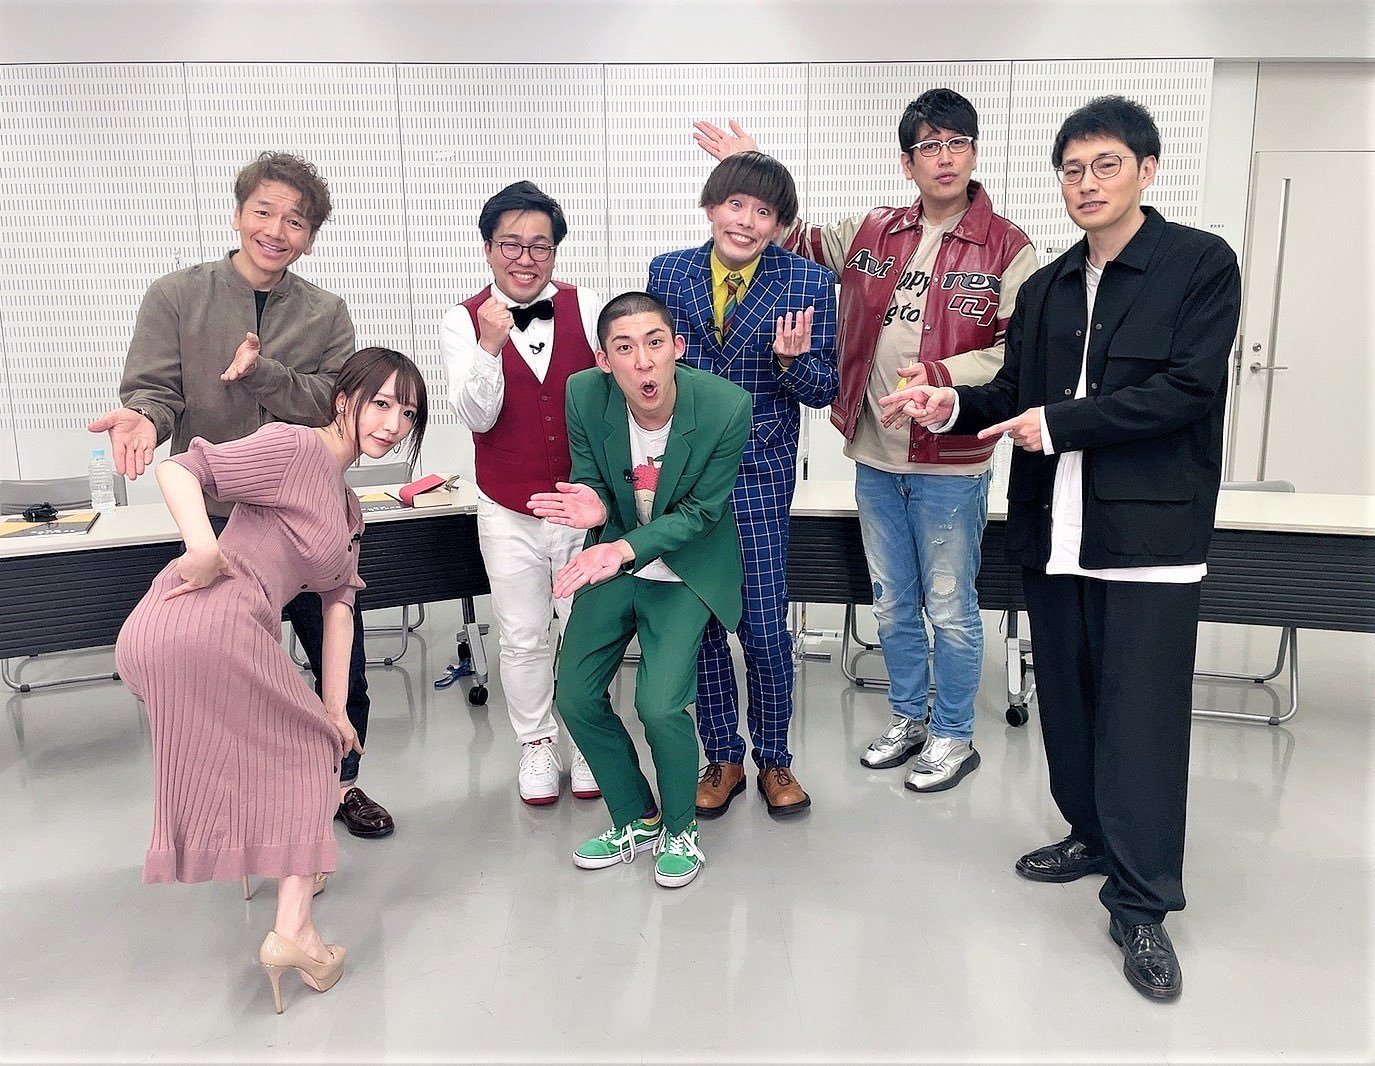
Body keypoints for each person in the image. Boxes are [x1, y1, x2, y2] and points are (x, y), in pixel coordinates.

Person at [882, 96, 1241, 1001]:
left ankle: (1142, 901)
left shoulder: (1198, 264)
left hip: (1147, 535)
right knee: (1069, 706)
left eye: (1105, 165)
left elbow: (1187, 391)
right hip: (1053, 529)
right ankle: (1088, 834)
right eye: (1071, 170)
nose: (1086, 183)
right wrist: (951, 406)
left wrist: (1060, 423)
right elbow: (1013, 391)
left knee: (1141, 719)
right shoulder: (1044, 286)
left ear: (1146, 170)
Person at [695, 88, 1038, 791]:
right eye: (929, 146)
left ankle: (952, 734)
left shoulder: (1008, 247)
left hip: (950, 459)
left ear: (974, 153)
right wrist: (750, 166)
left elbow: (1017, 352)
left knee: (950, 609)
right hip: (875, 453)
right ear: (907, 162)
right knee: (891, 602)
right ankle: (908, 717)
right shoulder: (871, 231)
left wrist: (941, 374)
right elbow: (784, 235)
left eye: (957, 144)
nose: (944, 158)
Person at [88, 151, 395, 839]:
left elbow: (330, 403)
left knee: (341, 662)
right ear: (237, 214)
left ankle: (342, 784)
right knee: (226, 670)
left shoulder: (326, 312)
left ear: (310, 238)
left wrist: (262, 372)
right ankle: (248, 796)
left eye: (296, 221)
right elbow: (155, 391)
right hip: (219, 521)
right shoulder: (176, 295)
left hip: (305, 522)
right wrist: (146, 418)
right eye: (264, 212)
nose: (276, 231)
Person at [115, 347, 428, 1013]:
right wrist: (203, 545)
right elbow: (181, 468)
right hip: (203, 616)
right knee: (310, 750)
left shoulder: (347, 507)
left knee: (306, 740)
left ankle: (284, 865)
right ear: (343, 400)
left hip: (200, 632)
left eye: (407, 413)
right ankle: (295, 935)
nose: (393, 423)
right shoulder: (295, 447)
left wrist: (336, 710)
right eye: (380, 404)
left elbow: (339, 605)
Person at [530, 292, 751, 888]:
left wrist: (620, 548)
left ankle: (680, 829)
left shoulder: (726, 406)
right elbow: (592, 477)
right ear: (605, 361)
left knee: (658, 704)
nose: (643, 360)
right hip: (613, 558)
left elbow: (702, 514)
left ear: (677, 347)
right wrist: (597, 506)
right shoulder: (584, 393)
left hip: (684, 567)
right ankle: (637, 818)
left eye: (655, 343)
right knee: (575, 695)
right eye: (624, 348)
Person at [647, 152, 838, 818]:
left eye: (764, 212)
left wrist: (790, 363)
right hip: (686, 476)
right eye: (736, 205)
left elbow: (823, 388)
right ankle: (722, 757)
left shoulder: (808, 280)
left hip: (759, 473)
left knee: (762, 628)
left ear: (779, 225)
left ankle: (775, 759)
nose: (747, 221)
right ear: (711, 207)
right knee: (699, 624)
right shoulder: (668, 272)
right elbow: (651, 367)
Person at [439, 181, 602, 806]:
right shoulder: (462, 320)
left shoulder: (587, 305)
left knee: (585, 630)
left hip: (580, 507)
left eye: (540, 245)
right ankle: (536, 743)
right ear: (488, 248)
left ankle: (588, 738)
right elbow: (477, 416)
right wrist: (489, 344)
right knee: (522, 635)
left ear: (555, 251)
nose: (526, 258)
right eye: (511, 244)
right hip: (506, 508)